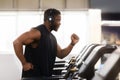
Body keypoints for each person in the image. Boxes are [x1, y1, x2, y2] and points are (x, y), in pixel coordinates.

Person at [13, 8, 79, 78]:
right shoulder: (37, 32)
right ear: (50, 19)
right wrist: (24, 63)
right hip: (33, 77)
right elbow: (17, 42)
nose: (60, 23)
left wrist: (72, 44)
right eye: (58, 20)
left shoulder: (52, 37)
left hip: (45, 77)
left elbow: (61, 54)